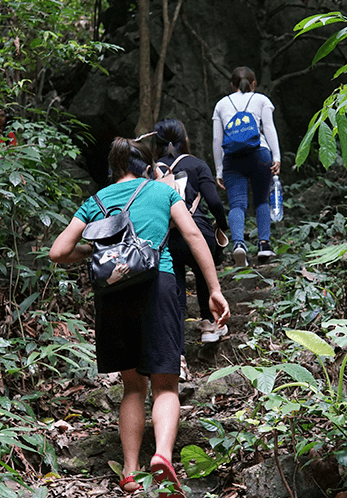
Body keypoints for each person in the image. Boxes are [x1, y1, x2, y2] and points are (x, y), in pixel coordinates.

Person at [49, 135, 230, 496]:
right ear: (146, 166)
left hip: (112, 294)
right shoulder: (161, 192)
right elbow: (193, 234)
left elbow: (58, 251)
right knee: (165, 383)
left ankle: (129, 473)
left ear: (114, 167)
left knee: (132, 385)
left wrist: (98, 253)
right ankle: (162, 456)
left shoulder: (95, 201)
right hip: (157, 285)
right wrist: (213, 288)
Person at [153, 118, 229, 344]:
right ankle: (209, 324)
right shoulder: (197, 165)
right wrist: (221, 226)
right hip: (197, 229)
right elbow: (215, 202)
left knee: (175, 284)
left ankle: (177, 343)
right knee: (204, 272)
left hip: (168, 235)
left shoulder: (152, 170)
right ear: (185, 140)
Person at [212, 66, 281, 266]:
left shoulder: (221, 104)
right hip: (260, 153)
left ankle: (239, 245)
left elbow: (217, 138)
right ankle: (264, 245)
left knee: (237, 204)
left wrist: (218, 169)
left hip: (232, 158)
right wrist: (276, 157)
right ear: (254, 84)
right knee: (261, 201)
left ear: (232, 85)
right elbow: (269, 128)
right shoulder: (261, 100)